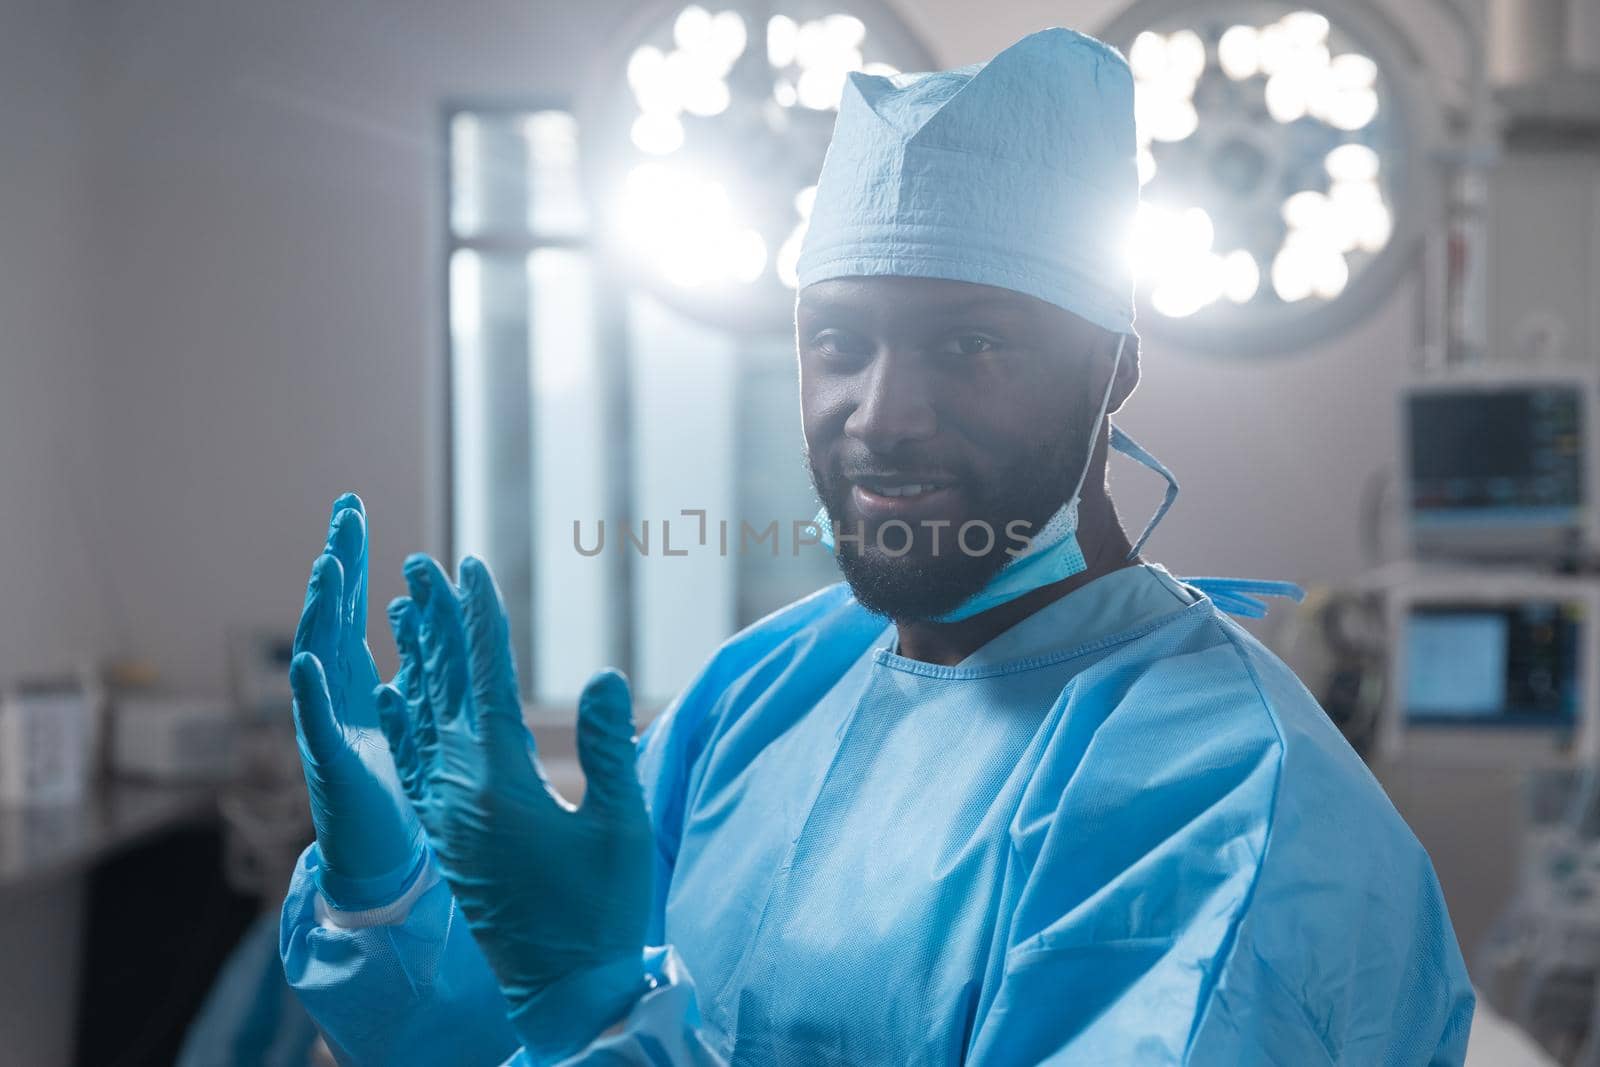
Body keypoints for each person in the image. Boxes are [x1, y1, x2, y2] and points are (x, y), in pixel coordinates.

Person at [279, 28, 1475, 1065]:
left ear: (1115, 364)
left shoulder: (1219, 805)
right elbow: (535, 1033)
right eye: (840, 340)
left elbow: (603, 1024)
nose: (882, 413)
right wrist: (396, 908)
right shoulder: (764, 691)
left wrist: (601, 1017)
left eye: (972, 345)